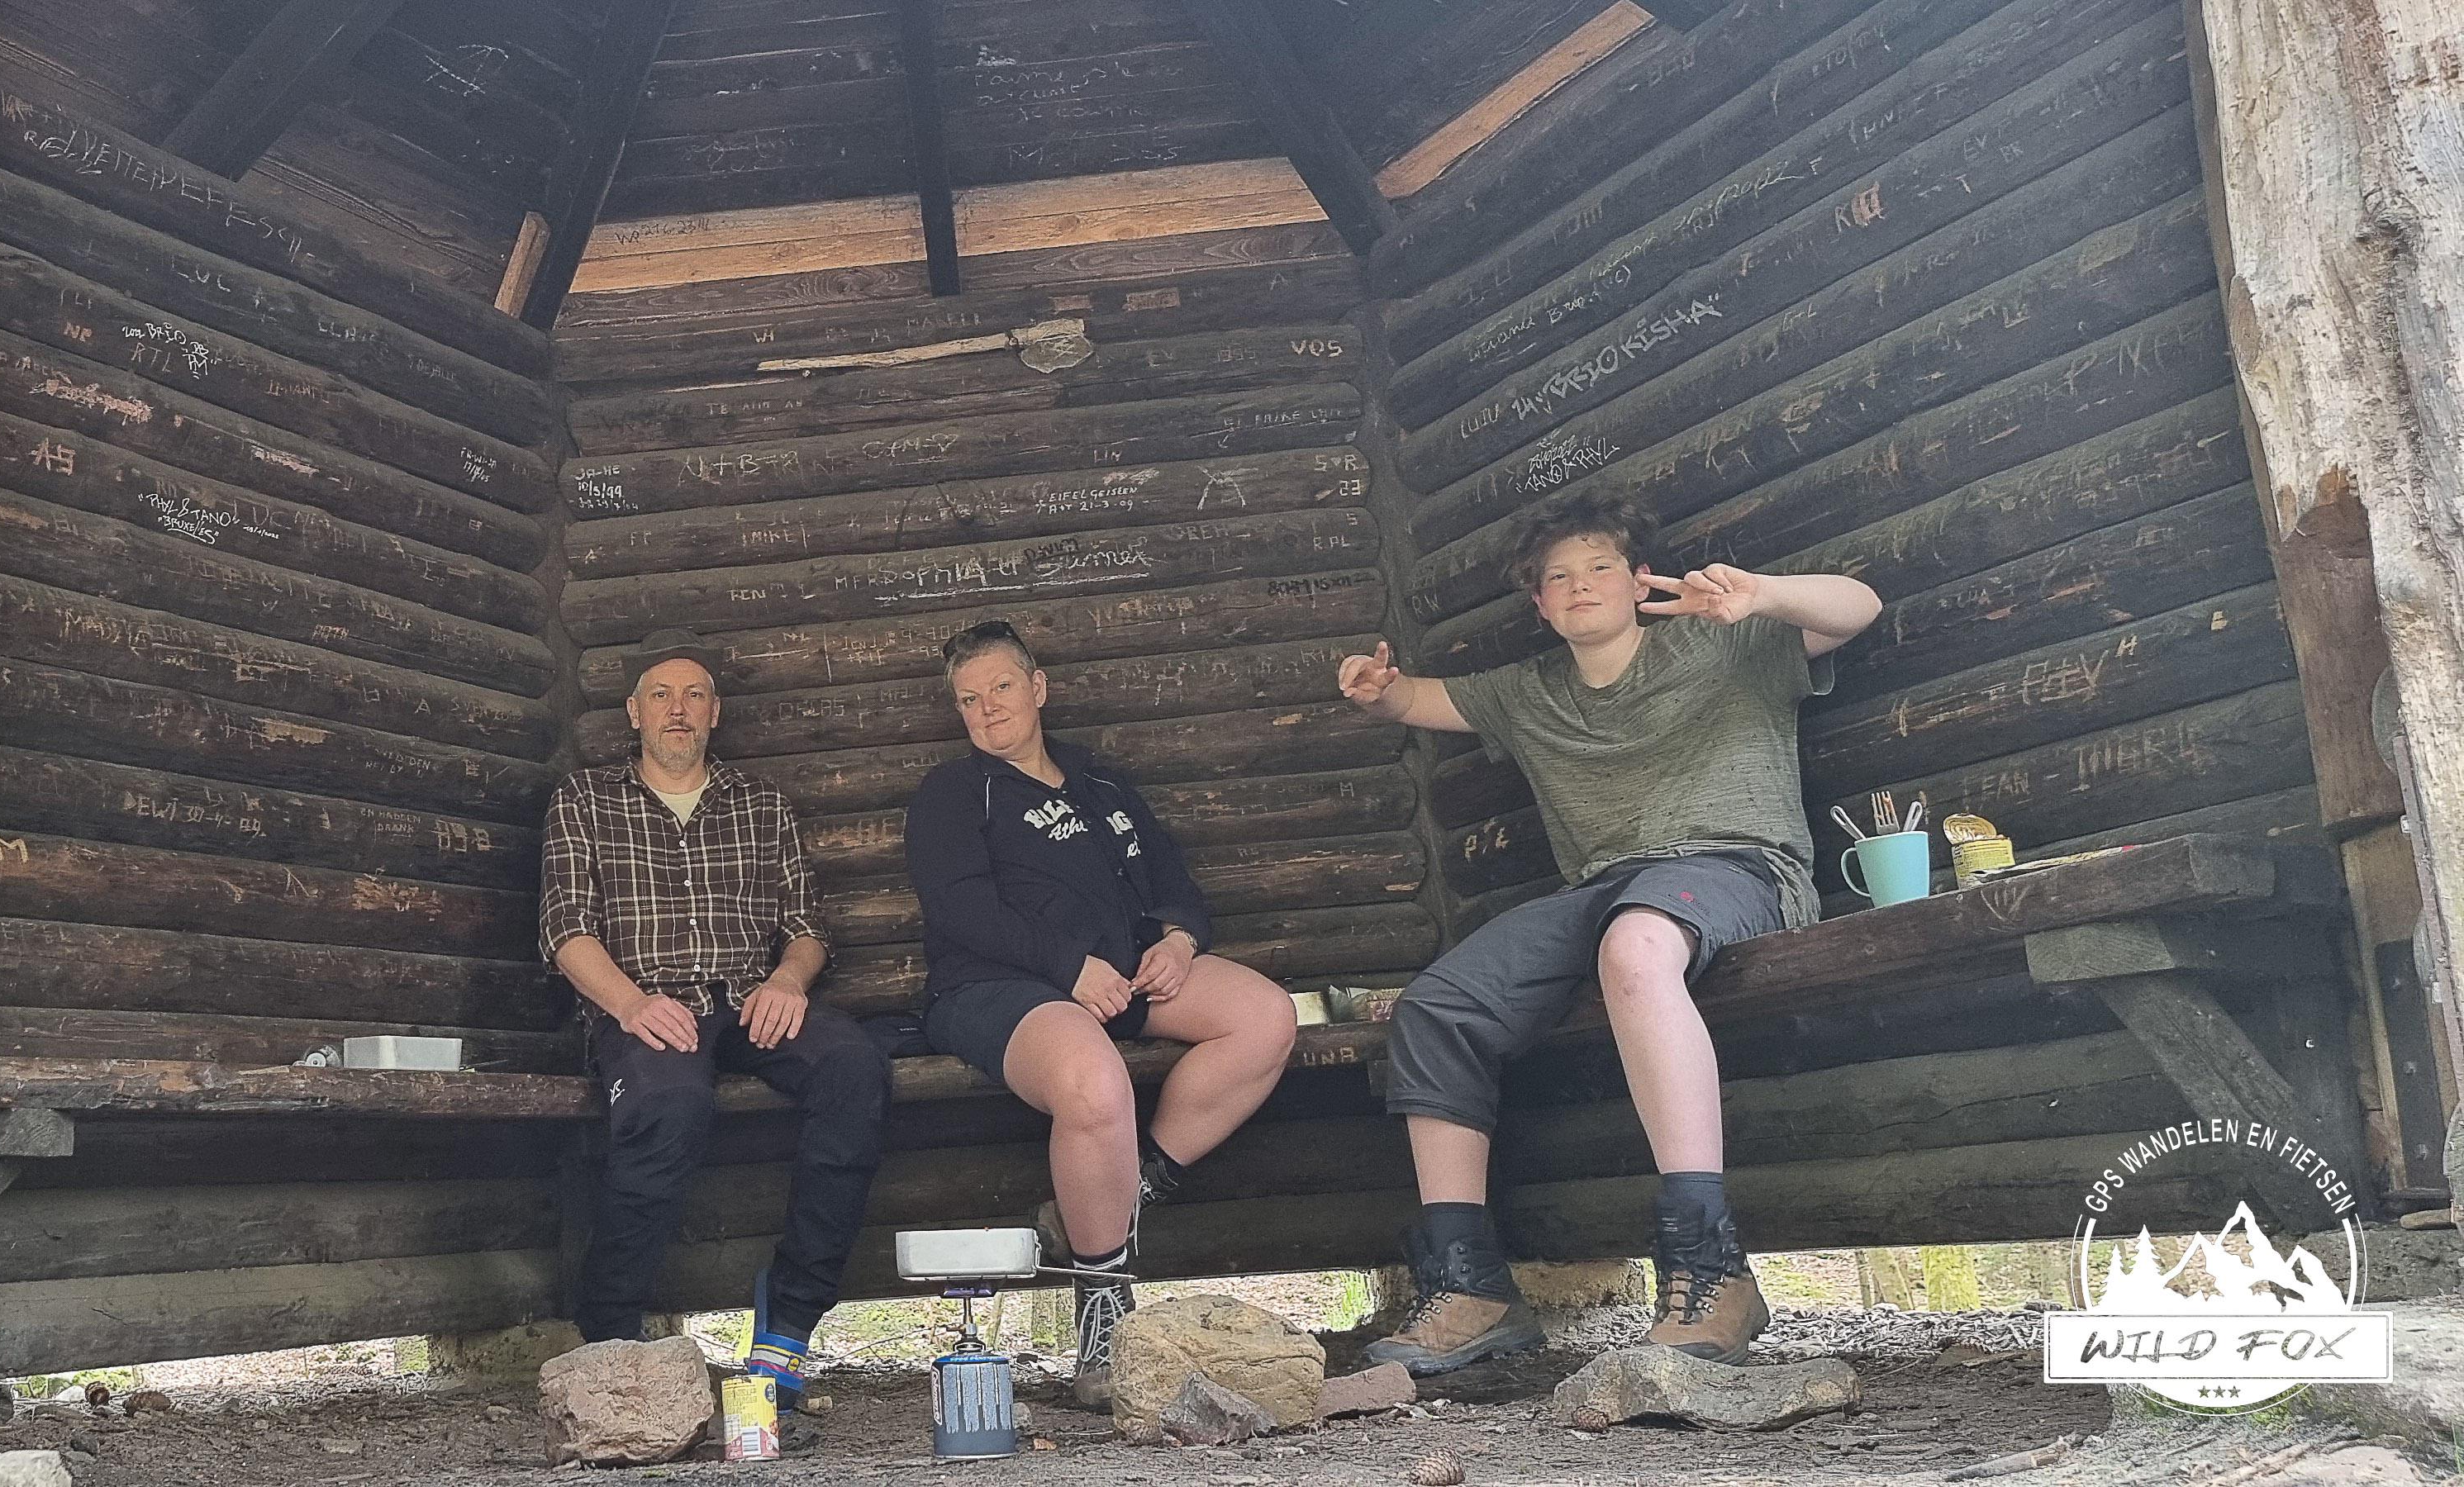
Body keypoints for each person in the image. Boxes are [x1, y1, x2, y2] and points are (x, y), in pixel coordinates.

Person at [1337, 493, 1881, 1374]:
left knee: (1635, 947)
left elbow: (1860, 607)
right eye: (1558, 577)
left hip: (1736, 866)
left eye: (1598, 567)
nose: (1579, 584)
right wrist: (1377, 691)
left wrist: (1764, 595)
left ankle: (1711, 1270)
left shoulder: (1724, 642)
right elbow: (1414, 699)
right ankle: (1471, 1289)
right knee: (1436, 1007)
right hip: (1599, 890)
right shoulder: (1528, 692)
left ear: (1638, 582)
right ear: (1540, 605)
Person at [904, 620, 1300, 1405]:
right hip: (995, 990)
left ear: (1039, 687)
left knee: (1265, 1017)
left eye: (1001, 688)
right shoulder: (954, 792)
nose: (987, 708)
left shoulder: (1102, 784)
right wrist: (1068, 967)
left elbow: (1173, 882)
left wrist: (1180, 940)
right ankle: (1103, 1310)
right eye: (969, 700)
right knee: (1094, 1080)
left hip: (1114, 980)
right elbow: (961, 911)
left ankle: (1132, 1188)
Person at [541, 628, 890, 1411]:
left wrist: (789, 981)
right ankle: (609, 1338)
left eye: (694, 694)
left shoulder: (761, 804)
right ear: (634, 712)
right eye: (661, 695)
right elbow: (566, 930)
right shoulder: (585, 799)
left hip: (748, 1001)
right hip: (646, 1006)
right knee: (670, 1103)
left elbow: (806, 928)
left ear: (715, 712)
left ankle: (789, 1321)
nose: (678, 708)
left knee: (854, 1068)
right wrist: (631, 1004)